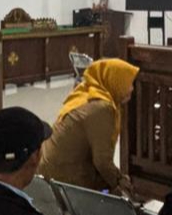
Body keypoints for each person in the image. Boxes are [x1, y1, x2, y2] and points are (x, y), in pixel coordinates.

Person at [37, 58, 138, 194]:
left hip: (47, 167)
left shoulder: (87, 93)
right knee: (116, 190)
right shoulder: (102, 108)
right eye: (128, 83)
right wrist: (120, 181)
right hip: (62, 176)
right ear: (115, 81)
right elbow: (102, 162)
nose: (132, 89)